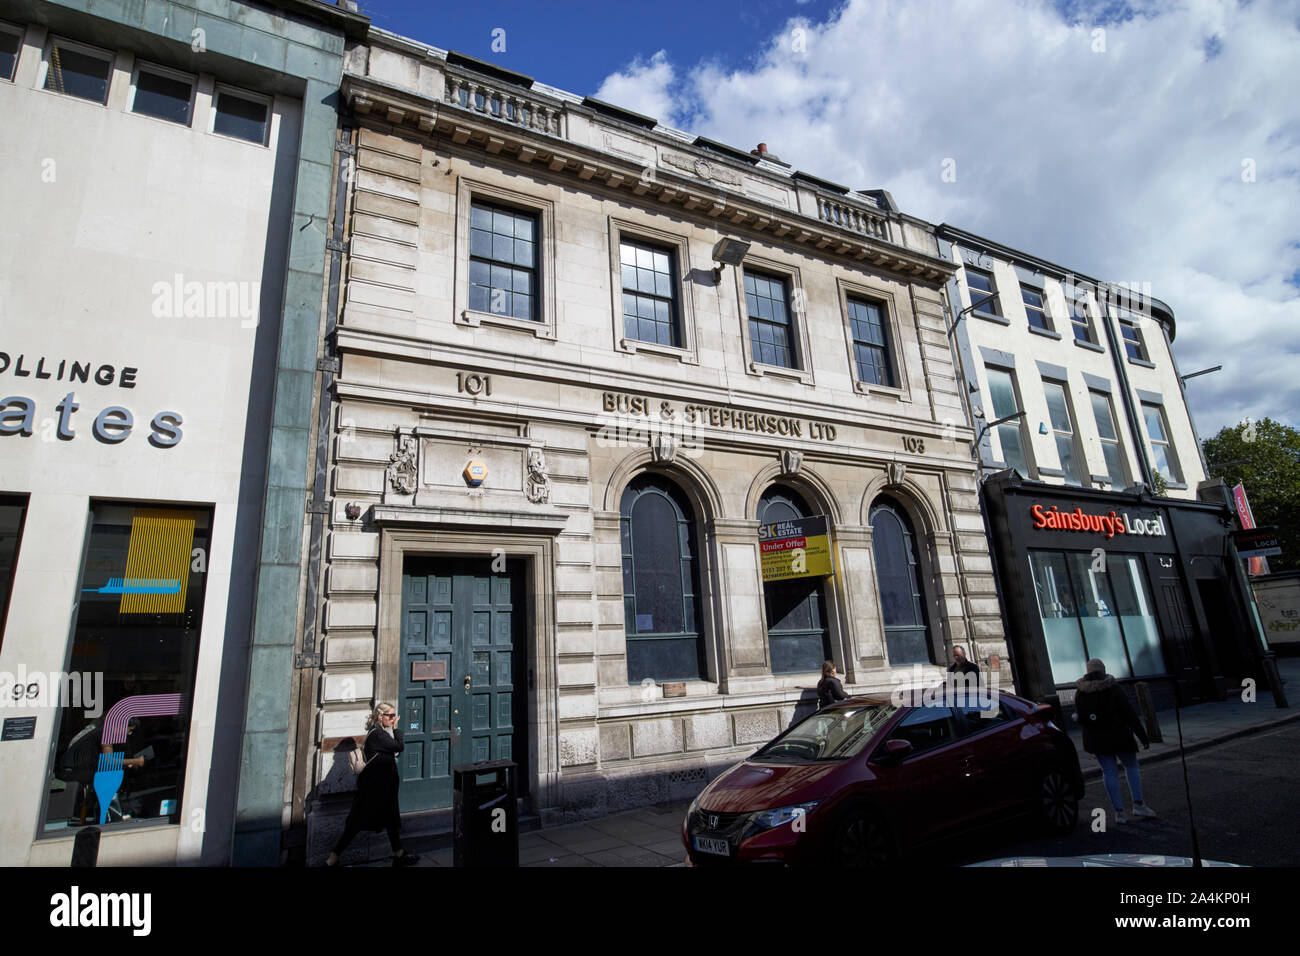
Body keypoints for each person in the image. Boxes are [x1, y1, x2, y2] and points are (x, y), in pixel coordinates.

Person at [326, 702, 420, 866]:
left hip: (383, 787)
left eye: (393, 716)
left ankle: (399, 853)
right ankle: (333, 858)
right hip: (375, 789)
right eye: (390, 716)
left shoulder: (379, 734)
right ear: (380, 717)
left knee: (390, 821)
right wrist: (396, 729)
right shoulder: (378, 734)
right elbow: (399, 746)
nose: (392, 719)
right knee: (356, 823)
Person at [1074, 659, 1156, 825]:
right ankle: (1138, 805)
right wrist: (1143, 736)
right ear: (1103, 670)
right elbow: (1129, 713)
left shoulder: (1080, 692)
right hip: (1119, 735)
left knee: (1109, 772)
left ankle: (1119, 813)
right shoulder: (1112, 688)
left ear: (1087, 671)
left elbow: (1081, 719)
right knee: (1131, 767)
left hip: (1097, 740)